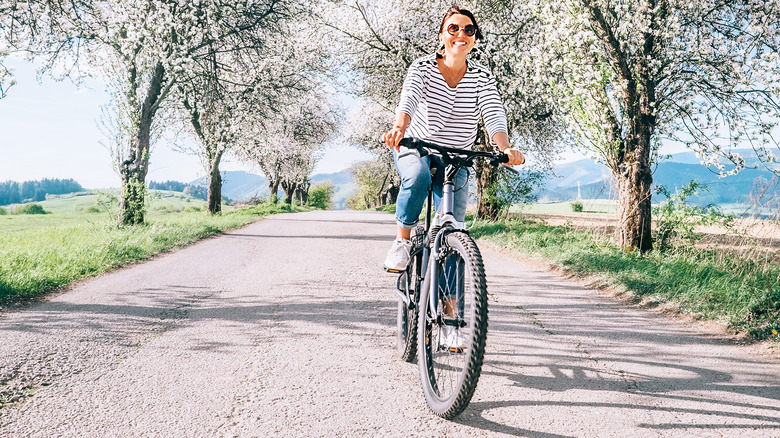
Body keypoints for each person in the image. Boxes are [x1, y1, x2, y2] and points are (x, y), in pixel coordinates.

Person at [382, 5, 525, 272]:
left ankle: (451, 305)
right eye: (454, 28)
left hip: (457, 155)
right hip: (416, 144)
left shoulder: (483, 76)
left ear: (474, 38)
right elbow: (409, 99)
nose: (461, 34)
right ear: (441, 36)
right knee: (417, 176)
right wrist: (400, 129)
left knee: (452, 227)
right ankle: (402, 241)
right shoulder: (422, 67)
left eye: (468, 30)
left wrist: (505, 147)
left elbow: (493, 113)